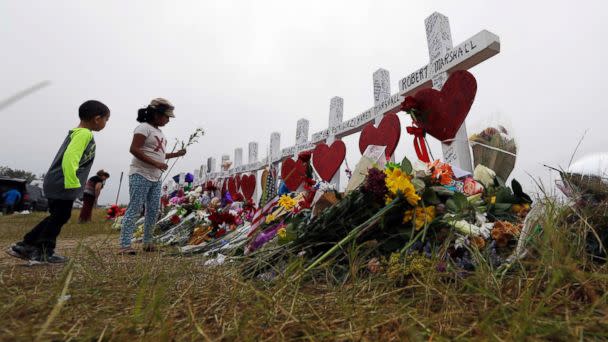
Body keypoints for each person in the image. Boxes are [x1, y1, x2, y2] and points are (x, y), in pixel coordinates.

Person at [7, 100, 110, 263]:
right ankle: (43, 252)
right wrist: (72, 183)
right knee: (60, 215)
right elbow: (70, 159)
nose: (106, 123)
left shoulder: (77, 133)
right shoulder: (84, 134)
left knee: (58, 215)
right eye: (106, 120)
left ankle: (26, 245)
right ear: (97, 119)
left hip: (56, 181)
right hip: (63, 182)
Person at [119, 98, 186, 254]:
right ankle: (124, 245)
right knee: (135, 208)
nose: (168, 120)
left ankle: (147, 242)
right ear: (156, 114)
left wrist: (176, 154)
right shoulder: (143, 128)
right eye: (166, 116)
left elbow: (159, 155)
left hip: (155, 177)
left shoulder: (160, 133)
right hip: (140, 174)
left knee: (153, 210)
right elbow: (134, 149)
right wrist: (156, 164)